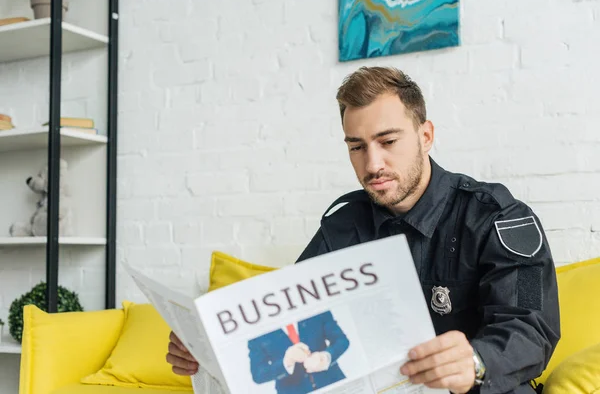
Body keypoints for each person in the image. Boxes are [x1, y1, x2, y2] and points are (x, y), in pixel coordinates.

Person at [166, 66, 561, 394]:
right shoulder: (344, 223)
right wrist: (213, 350)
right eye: (357, 147)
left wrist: (476, 361)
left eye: (388, 141)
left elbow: (532, 328)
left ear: (426, 136)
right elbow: (290, 319)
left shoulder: (496, 216)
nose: (372, 164)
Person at [248, 310, 350, 394]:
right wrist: (286, 362)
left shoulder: (317, 309)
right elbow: (258, 374)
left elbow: (341, 340)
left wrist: (327, 356)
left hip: (333, 382)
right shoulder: (256, 331)